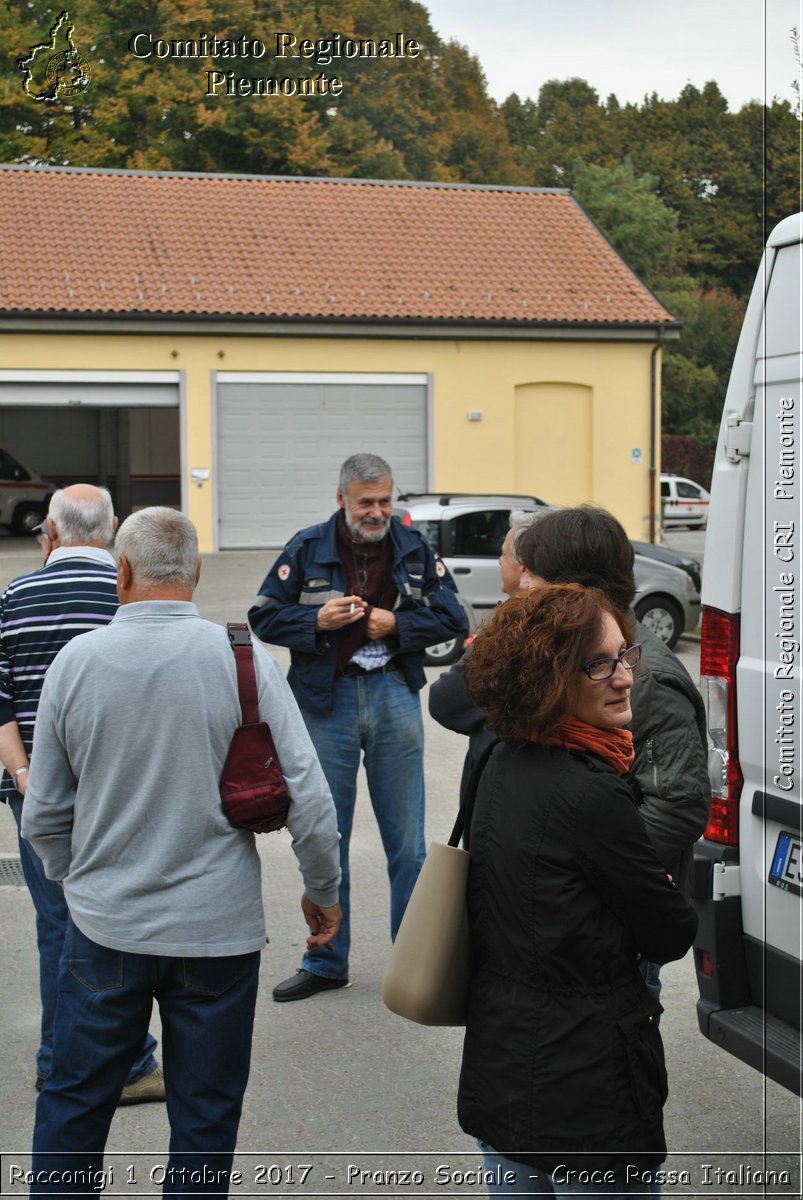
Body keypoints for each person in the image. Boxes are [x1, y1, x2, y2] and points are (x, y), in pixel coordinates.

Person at [21, 507, 341, 1193]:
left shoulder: (76, 663)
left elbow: (44, 814)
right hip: (216, 934)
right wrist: (322, 891)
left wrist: (77, 882)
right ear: (195, 572)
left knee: (74, 1105)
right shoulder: (242, 656)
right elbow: (310, 800)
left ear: (122, 570)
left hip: (106, 927)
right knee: (205, 1116)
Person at [458, 585, 698, 1197]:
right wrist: (656, 886)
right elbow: (671, 931)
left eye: (627, 657)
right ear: (547, 675)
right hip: (589, 1093)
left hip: (505, 1070)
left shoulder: (501, 761)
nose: (624, 679)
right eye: (600, 663)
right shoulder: (590, 791)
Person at [249, 452, 468, 1002]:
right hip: (327, 702)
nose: (377, 512)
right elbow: (263, 614)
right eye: (367, 501)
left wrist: (399, 624)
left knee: (408, 846)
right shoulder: (306, 547)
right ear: (341, 497)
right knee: (328, 835)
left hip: (394, 693)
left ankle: (415, 966)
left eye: (385, 501)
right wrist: (314, 620)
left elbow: (453, 618)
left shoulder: (413, 547)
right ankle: (325, 961)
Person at [431, 505, 710, 904]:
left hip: (597, 916)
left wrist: (578, 880)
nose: (525, 583)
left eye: (536, 575)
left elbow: (676, 806)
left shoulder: (647, 678)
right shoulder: (554, 652)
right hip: (533, 899)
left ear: (573, 587)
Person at [0, 484, 163, 1103]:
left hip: (36, 791)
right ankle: (129, 1061)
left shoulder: (14, 596)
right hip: (123, 791)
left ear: (51, 529)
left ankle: (57, 1060)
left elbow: (1, 701)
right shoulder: (129, 594)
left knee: (56, 926)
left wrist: (23, 776)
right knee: (123, 923)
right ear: (114, 528)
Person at [429, 509, 539, 796]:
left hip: (504, 786)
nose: (498, 560)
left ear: (525, 568)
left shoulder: (513, 631)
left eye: (503, 554)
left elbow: (445, 700)